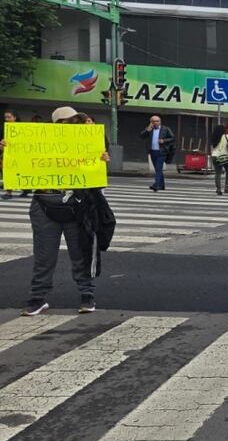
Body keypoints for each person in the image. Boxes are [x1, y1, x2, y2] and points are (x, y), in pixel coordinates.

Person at [0, 106, 113, 316]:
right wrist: (10, 148)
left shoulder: (86, 143)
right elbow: (20, 162)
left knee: (81, 253)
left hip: (77, 206)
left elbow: (94, 172)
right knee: (44, 256)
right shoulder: (39, 143)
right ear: (56, 125)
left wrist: (102, 160)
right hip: (44, 205)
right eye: (67, 121)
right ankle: (37, 298)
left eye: (76, 121)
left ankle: (87, 296)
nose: (73, 125)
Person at [138, 115, 175, 192]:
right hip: (152, 151)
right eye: (154, 121)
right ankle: (161, 185)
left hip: (162, 152)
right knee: (158, 169)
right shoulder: (149, 129)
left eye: (157, 121)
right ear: (151, 122)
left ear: (160, 121)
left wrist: (164, 141)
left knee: (158, 169)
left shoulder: (165, 129)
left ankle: (156, 185)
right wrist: (148, 129)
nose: (156, 123)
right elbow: (141, 136)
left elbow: (172, 138)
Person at [2, 110, 30, 199]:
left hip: (20, 154)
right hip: (9, 154)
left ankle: (26, 189)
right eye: (5, 117)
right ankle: (8, 192)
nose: (7, 119)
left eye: (9, 117)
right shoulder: (4, 128)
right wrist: (2, 143)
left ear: (15, 117)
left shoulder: (22, 128)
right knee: (8, 172)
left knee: (21, 172)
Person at [210, 124, 228, 196]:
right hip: (224, 156)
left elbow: (211, 148)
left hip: (215, 156)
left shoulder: (214, 137)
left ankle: (218, 189)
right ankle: (227, 188)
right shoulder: (227, 136)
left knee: (217, 173)